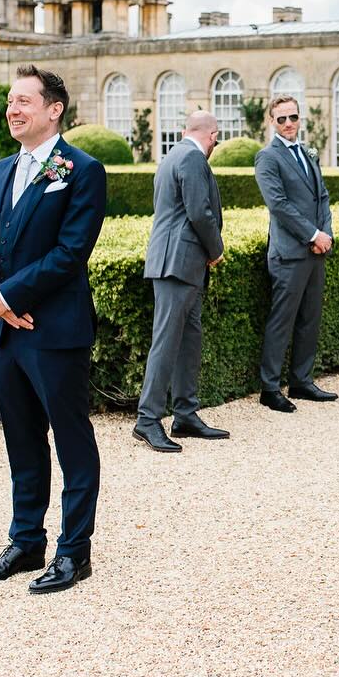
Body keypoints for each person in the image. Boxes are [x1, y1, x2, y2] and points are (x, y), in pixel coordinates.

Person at [0, 64, 107, 594]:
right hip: (5, 331)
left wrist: (13, 295)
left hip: (54, 332)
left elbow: (71, 252)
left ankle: (74, 553)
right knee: (21, 441)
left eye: (24, 100)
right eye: (9, 100)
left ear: (54, 110)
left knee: (72, 442)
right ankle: (26, 542)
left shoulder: (82, 170)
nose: (12, 109)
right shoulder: (0, 169)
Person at [136, 110, 230, 453]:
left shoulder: (172, 155)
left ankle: (186, 414)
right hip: (178, 264)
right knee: (166, 342)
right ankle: (147, 419)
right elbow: (199, 212)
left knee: (189, 339)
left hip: (179, 264)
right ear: (212, 136)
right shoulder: (192, 157)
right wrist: (216, 249)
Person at [254, 95, 337, 411]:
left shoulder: (308, 153)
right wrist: (312, 234)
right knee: (282, 321)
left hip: (316, 251)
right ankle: (270, 388)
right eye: (281, 119)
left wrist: (325, 234)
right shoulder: (267, 157)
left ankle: (302, 382)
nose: (288, 123)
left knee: (310, 319)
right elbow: (279, 205)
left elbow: (322, 197)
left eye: (293, 117)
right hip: (289, 253)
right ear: (271, 122)